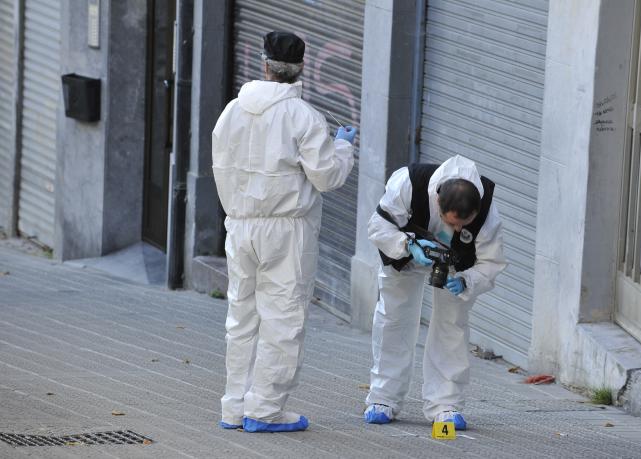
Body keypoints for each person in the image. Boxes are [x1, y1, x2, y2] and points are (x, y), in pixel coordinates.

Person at [212, 30, 357, 433]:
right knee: (282, 318)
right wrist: (343, 147)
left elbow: (221, 165)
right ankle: (265, 409)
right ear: (301, 70)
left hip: (239, 226)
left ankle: (233, 406)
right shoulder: (303, 117)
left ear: (264, 65)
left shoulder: (231, 112)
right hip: (287, 229)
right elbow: (326, 177)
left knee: (241, 317)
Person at [364, 154, 506, 430]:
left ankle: (446, 404)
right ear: (438, 201)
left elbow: (492, 261)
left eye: (463, 225)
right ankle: (383, 398)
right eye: (451, 222)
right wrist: (407, 245)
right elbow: (378, 225)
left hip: (457, 267)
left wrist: (468, 281)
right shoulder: (408, 183)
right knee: (393, 320)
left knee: (451, 327)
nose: (457, 229)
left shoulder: (488, 210)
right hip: (405, 255)